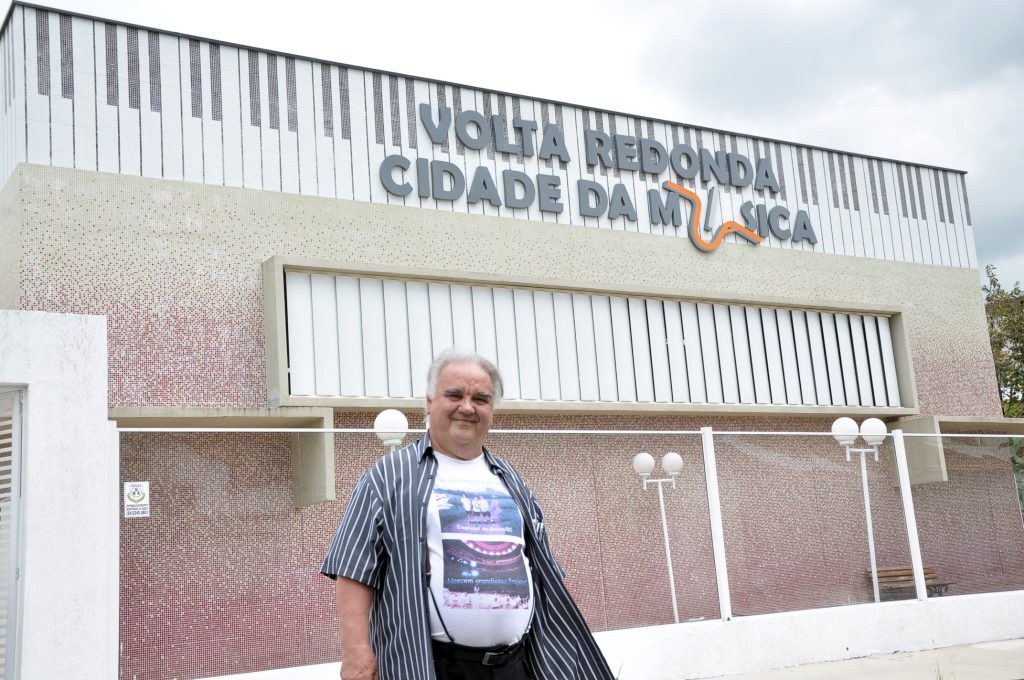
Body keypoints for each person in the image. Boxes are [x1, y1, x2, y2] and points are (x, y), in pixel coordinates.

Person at [321, 348, 615, 680]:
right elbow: (353, 569)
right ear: (429, 402)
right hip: (432, 666)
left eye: (480, 399)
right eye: (454, 395)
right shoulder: (388, 476)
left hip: (517, 664)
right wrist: (356, 653)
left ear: (492, 410)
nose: (467, 407)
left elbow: (542, 568)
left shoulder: (509, 479)